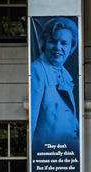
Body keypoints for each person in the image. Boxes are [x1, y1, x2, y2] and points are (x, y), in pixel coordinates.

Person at [29, 17, 79, 147]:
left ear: (71, 47)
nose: (58, 47)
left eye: (64, 43)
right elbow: (32, 119)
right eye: (53, 41)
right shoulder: (36, 70)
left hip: (66, 153)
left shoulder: (65, 76)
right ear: (45, 43)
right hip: (45, 153)